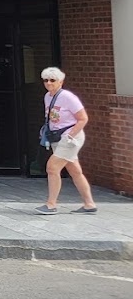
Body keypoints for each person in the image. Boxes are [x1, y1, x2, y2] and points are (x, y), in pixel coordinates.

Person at [37, 66, 97, 214]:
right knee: (75, 171)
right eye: (46, 80)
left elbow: (83, 118)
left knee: (52, 167)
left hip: (70, 138)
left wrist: (70, 136)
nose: (49, 83)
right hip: (57, 137)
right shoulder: (47, 96)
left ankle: (51, 204)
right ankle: (89, 204)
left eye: (53, 80)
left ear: (61, 82)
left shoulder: (68, 97)